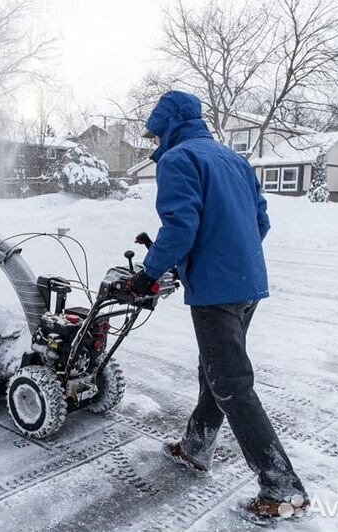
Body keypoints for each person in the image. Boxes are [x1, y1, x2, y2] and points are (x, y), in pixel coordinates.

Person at [130, 90, 309, 520]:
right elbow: (260, 220)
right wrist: (231, 257)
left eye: (157, 134)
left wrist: (148, 273)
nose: (156, 144)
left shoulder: (179, 161)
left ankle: (283, 489)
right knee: (216, 370)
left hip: (216, 292)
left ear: (170, 126)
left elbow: (181, 227)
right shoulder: (234, 160)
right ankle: (196, 446)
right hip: (248, 285)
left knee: (231, 384)